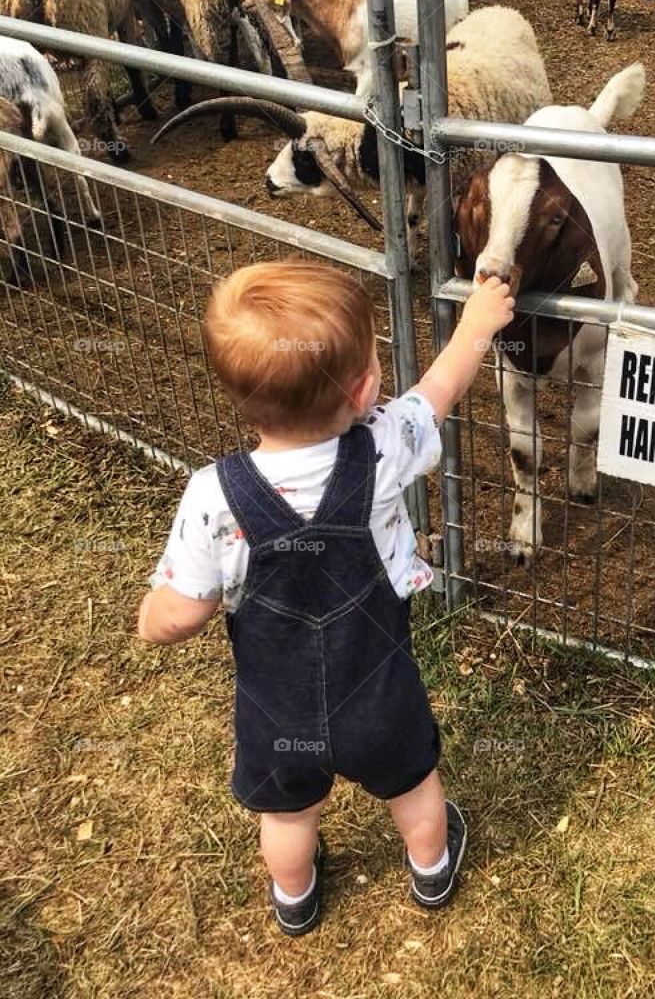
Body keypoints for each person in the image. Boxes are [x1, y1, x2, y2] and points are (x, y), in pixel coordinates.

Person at [137, 258, 515, 936]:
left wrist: (153, 619)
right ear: (366, 387)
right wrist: (479, 322)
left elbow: (181, 609)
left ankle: (295, 895)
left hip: (275, 706)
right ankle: (431, 868)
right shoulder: (383, 449)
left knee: (285, 814)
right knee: (412, 783)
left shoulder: (212, 495)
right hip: (378, 687)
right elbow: (440, 387)